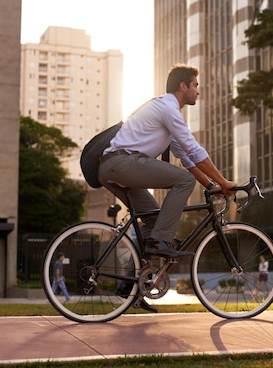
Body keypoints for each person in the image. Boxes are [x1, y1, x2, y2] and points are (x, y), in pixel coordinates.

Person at [98, 63, 235, 311]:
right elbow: (195, 149)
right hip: (122, 162)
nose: (198, 91)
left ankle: (130, 289)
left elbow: (188, 157)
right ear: (183, 86)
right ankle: (161, 241)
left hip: (115, 167)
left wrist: (213, 187)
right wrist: (224, 182)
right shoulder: (167, 108)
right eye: (195, 86)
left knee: (152, 221)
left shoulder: (166, 113)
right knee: (183, 181)